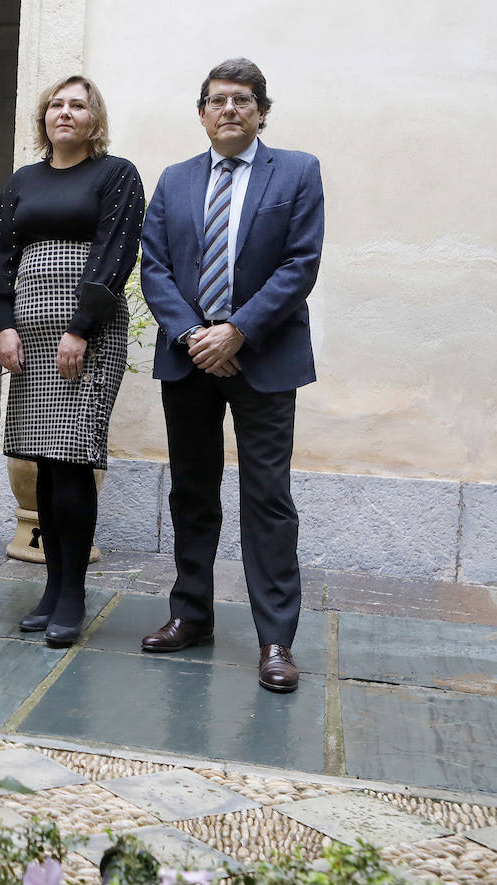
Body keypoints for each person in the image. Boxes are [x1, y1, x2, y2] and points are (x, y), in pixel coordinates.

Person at [138, 58, 324, 693]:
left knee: (267, 499)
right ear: (201, 113)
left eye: (242, 100)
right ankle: (190, 615)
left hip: (263, 357)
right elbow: (154, 267)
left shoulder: (297, 171)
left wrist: (237, 330)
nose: (229, 110)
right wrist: (195, 335)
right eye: (217, 100)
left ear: (261, 111)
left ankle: (276, 638)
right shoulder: (175, 180)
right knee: (191, 492)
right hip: (190, 358)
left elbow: (301, 263)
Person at [0, 75, 144, 648]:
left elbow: (116, 251)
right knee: (43, 461)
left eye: (78, 105)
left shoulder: (116, 174)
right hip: (27, 334)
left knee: (72, 458)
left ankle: (72, 593)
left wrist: (80, 328)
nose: (65, 113)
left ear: (94, 118)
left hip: (86, 334)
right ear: (43, 117)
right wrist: (4, 324)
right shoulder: (22, 181)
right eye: (56, 105)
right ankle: (51, 588)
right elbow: (0, 256)